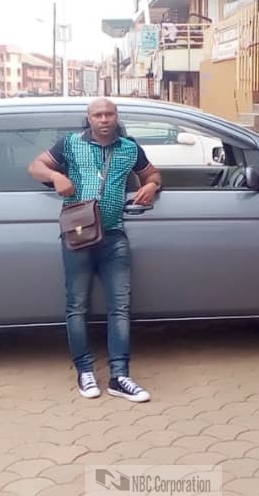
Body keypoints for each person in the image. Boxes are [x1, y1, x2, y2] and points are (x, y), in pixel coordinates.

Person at [27, 98, 162, 401]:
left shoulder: (129, 148)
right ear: (88, 118)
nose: (104, 119)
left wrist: (151, 186)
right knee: (77, 306)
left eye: (109, 114)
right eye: (97, 114)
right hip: (78, 235)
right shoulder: (71, 144)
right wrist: (56, 176)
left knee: (120, 308)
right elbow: (35, 166)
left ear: (116, 116)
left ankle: (120, 377)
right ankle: (85, 371)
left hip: (114, 237)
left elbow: (153, 174)